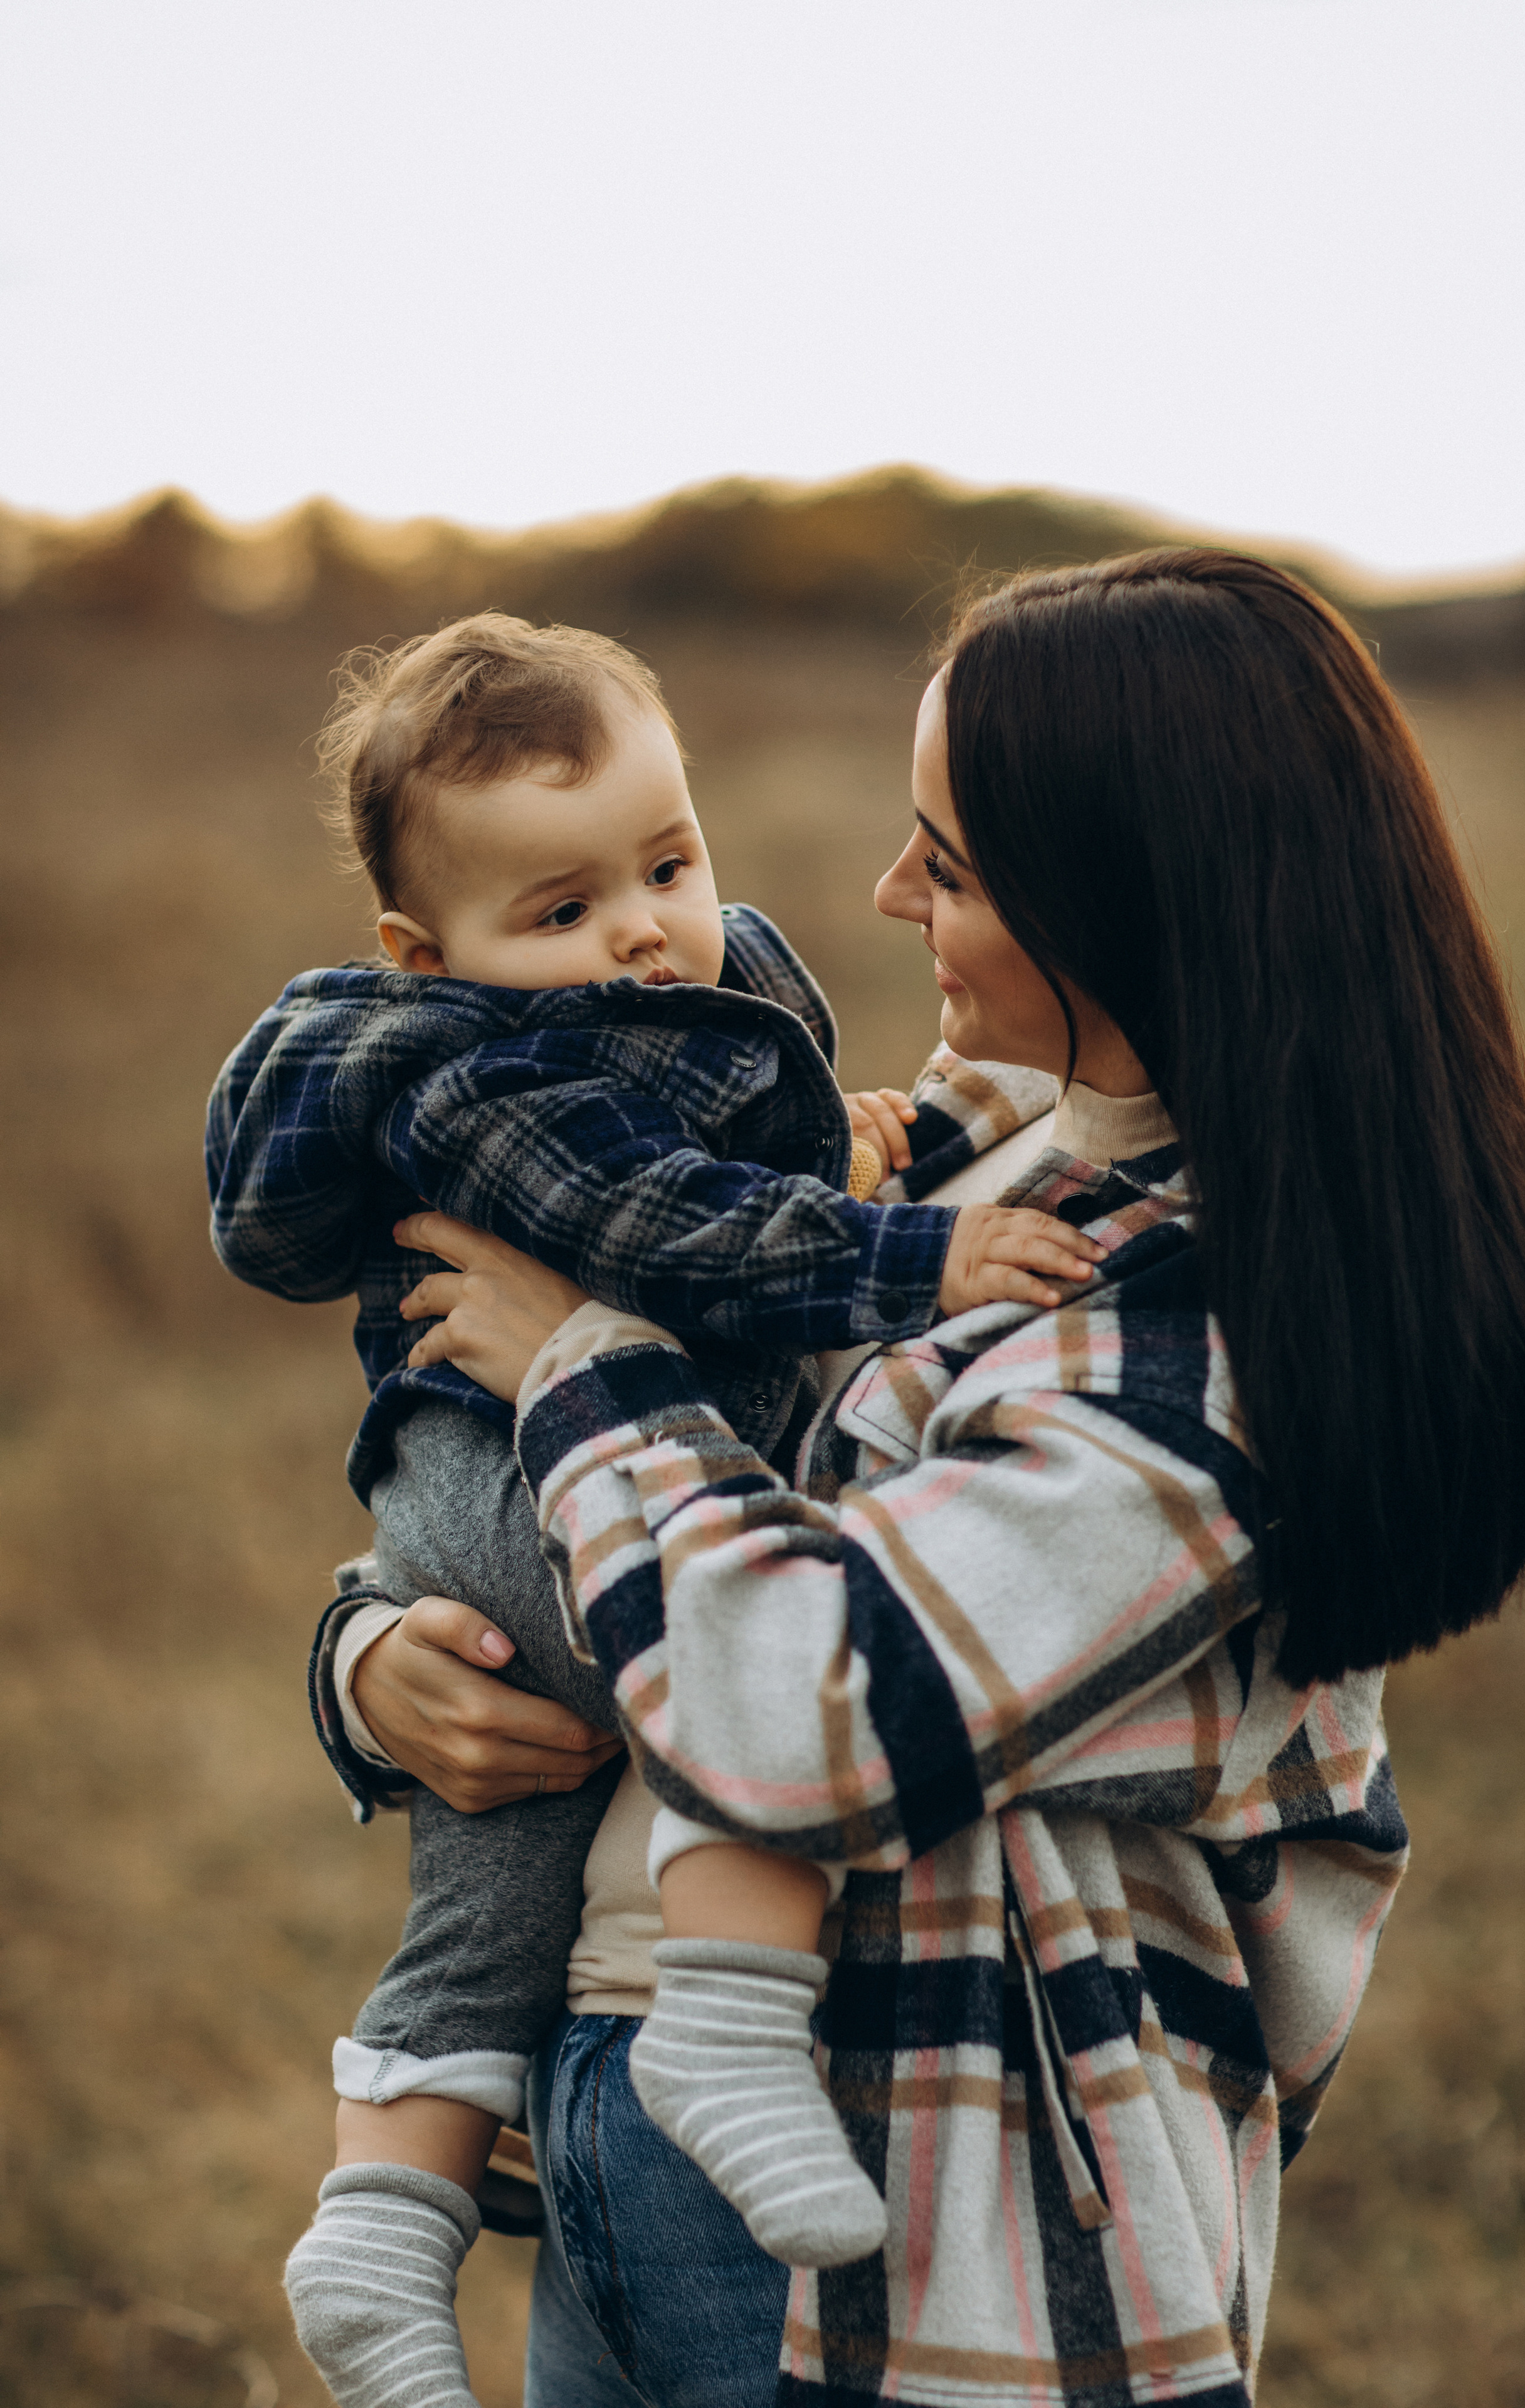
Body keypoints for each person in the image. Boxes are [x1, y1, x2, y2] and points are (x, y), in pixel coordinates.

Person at [342, 549, 1525, 2408]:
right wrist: (375, 1669)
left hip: (907, 2219)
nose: (884, 892)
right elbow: (625, 1518)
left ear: (1135, 905)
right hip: (604, 2110)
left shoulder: (1202, 1348)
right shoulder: (952, 1168)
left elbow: (798, 1707)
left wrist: (585, 1364)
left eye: (958, 860)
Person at [206, 612, 1105, 2407]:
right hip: (520, 1500)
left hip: (497, 1528)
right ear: (423, 950)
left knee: (488, 1886)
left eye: (670, 866)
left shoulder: (699, 1007)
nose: (638, 930)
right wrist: (903, 1252)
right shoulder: (494, 1075)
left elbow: (759, 1179)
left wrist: (365, 1660)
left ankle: (382, 2233)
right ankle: (727, 2021)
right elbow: (676, 1232)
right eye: (559, 910)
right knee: (706, 1678)